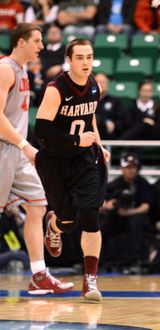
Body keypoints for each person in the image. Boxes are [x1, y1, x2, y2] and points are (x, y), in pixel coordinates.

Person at [34, 38, 110, 302]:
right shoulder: (56, 89)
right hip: (55, 161)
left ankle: (90, 280)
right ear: (69, 59)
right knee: (68, 222)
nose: (86, 62)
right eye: (80, 57)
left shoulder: (94, 86)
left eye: (89, 57)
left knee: (90, 214)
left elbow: (89, 118)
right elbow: (41, 131)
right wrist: (77, 140)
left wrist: (98, 143)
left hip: (85, 160)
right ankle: (54, 226)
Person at [0, 23, 74, 294]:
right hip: (4, 148)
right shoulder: (5, 69)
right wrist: (24, 145)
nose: (42, 47)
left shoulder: (24, 71)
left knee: (38, 205)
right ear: (21, 42)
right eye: (37, 41)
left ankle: (38, 274)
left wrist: (25, 146)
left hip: (15, 150)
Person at [100, 153, 154, 273]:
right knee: (101, 224)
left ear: (137, 168)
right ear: (121, 168)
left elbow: (146, 206)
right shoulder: (114, 184)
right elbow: (100, 202)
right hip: (117, 218)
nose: (130, 171)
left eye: (133, 167)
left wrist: (130, 212)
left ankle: (135, 262)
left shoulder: (142, 184)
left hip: (136, 218)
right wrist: (107, 205)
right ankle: (102, 261)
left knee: (135, 223)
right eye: (127, 167)